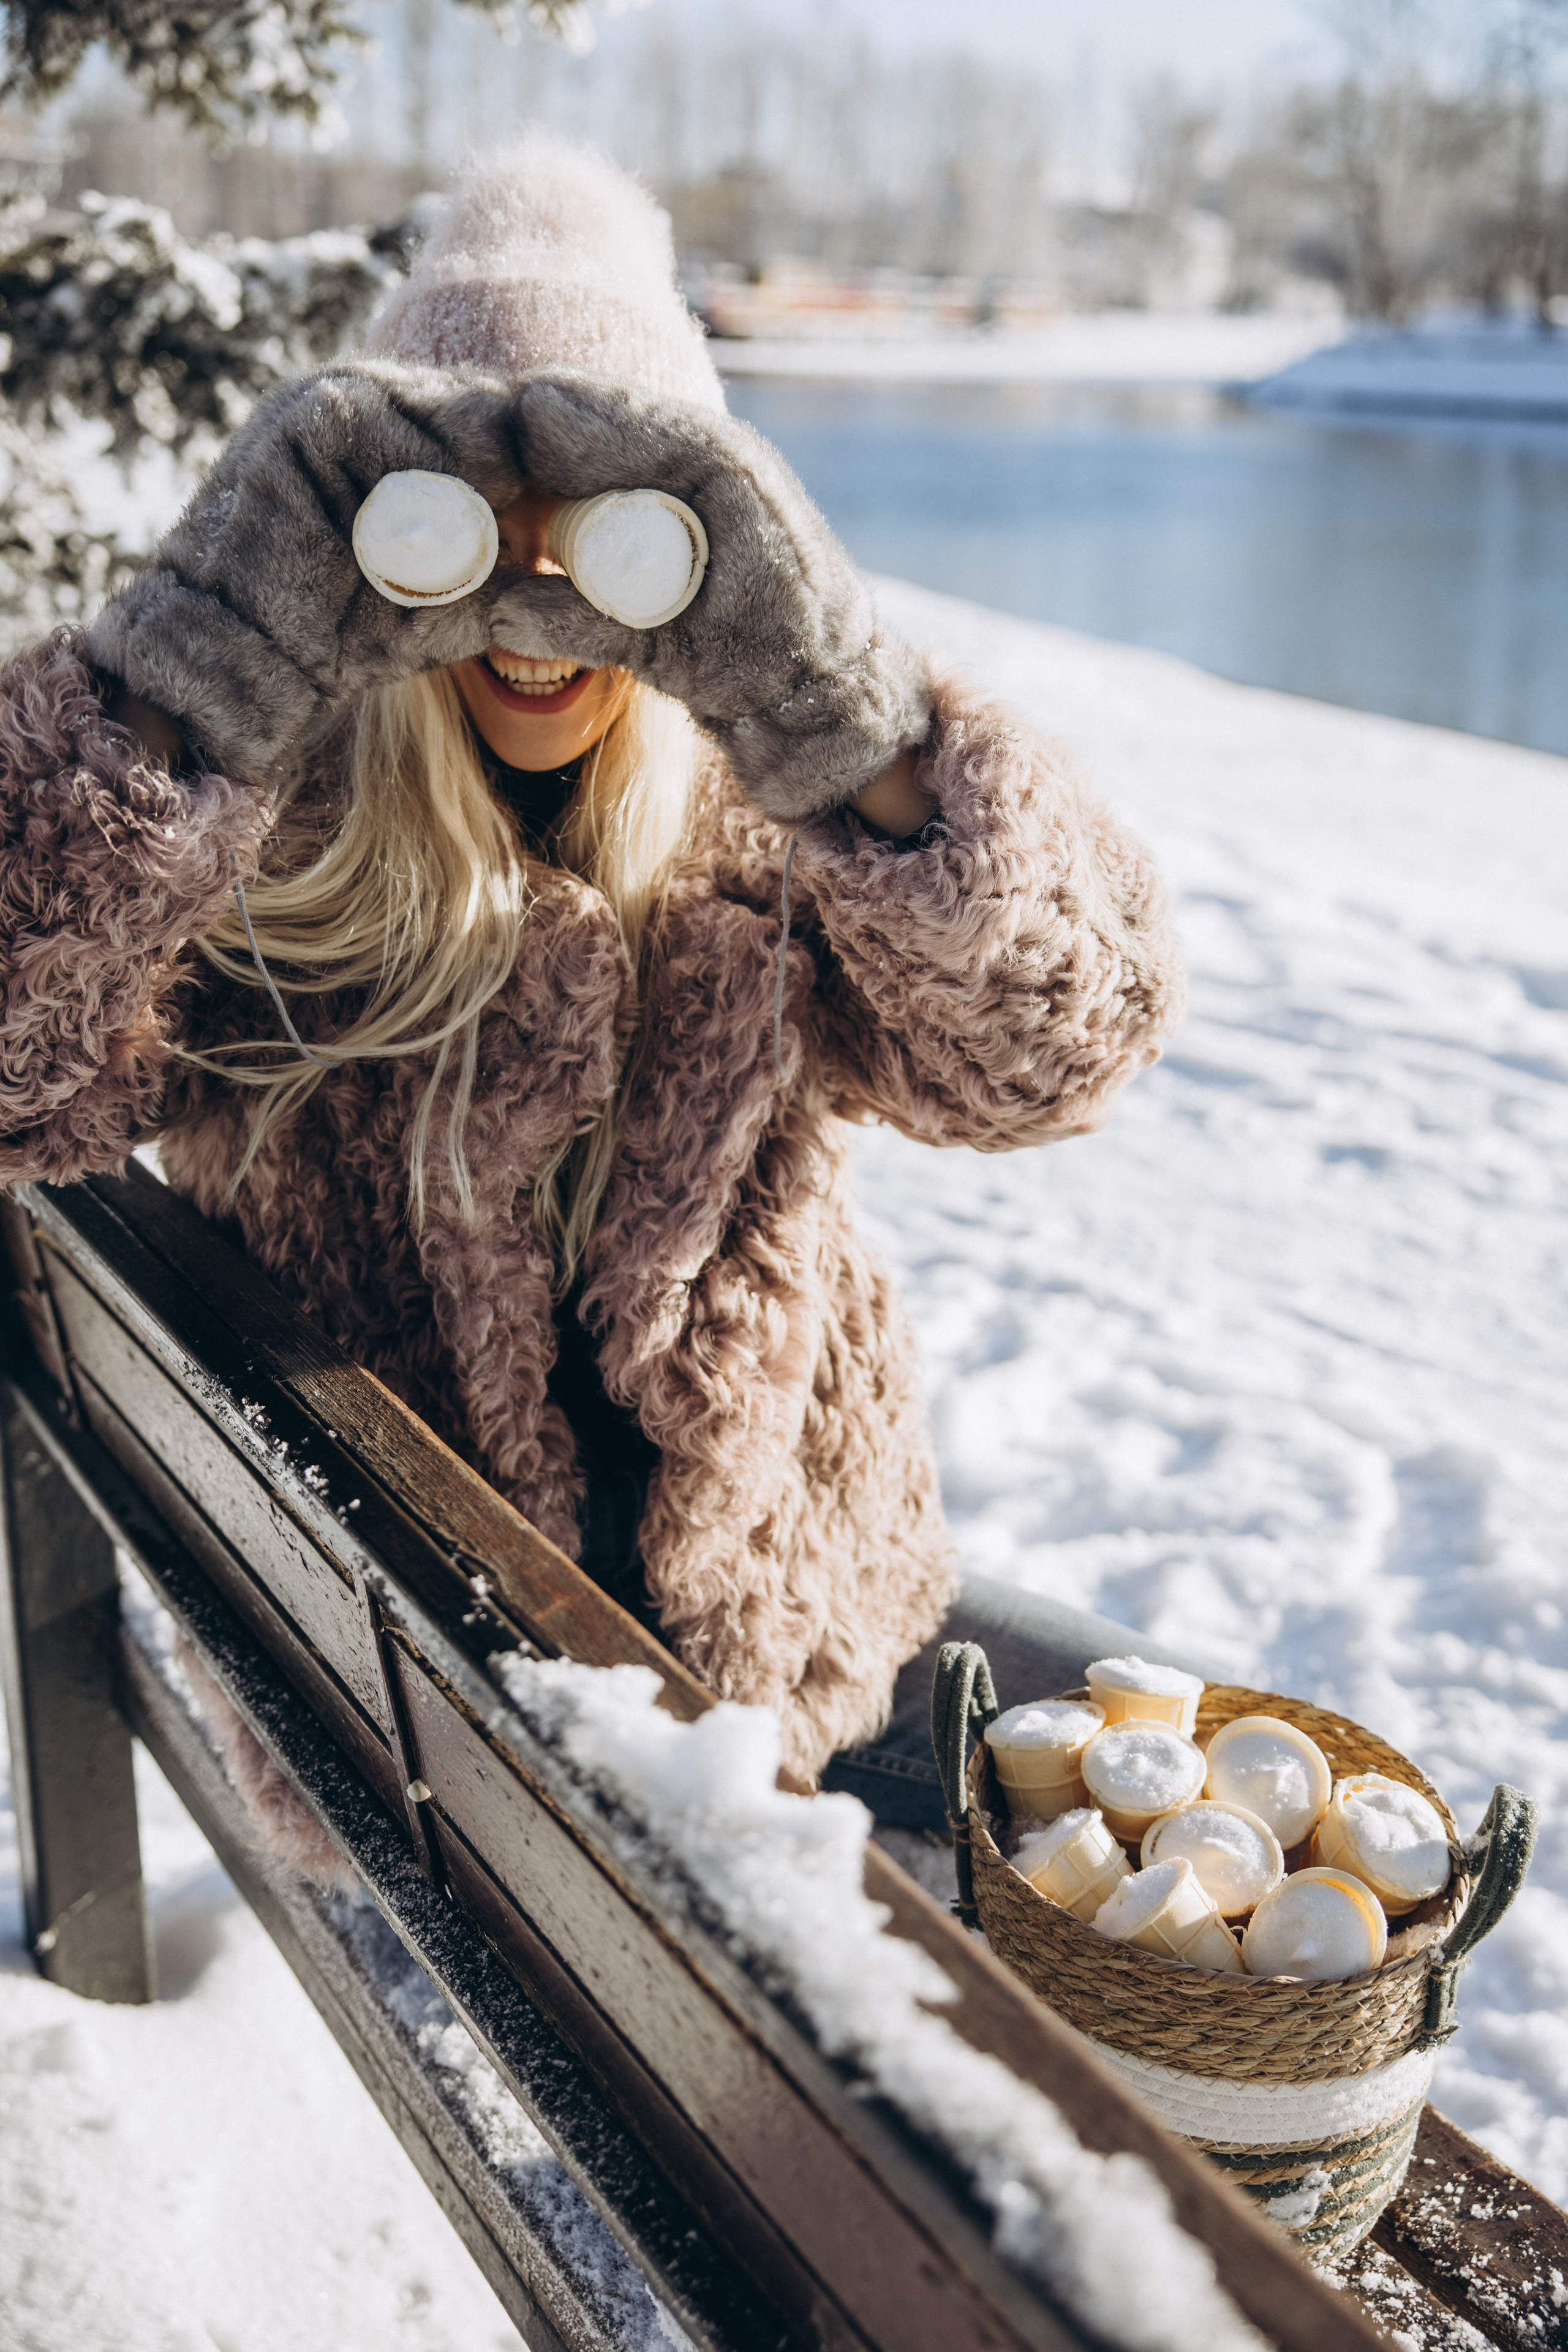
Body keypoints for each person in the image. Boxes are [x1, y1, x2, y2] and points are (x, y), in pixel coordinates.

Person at [0, 137, 1185, 1822]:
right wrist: (194, 665)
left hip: (780, 1652)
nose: (536, 605)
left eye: (607, 531)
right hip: (481, 1756)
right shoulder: (262, 848)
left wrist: (849, 718)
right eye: (475, 535)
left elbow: (1066, 1047)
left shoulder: (766, 829)